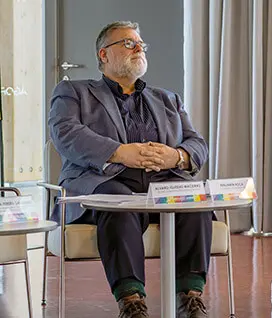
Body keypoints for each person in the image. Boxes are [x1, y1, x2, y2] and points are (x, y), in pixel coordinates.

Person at [49, 21, 210, 318]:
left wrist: (176, 156)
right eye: (127, 43)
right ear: (103, 54)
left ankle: (190, 295)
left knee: (192, 198)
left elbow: (197, 143)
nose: (138, 47)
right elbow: (66, 134)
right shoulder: (73, 92)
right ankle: (131, 300)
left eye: (140, 44)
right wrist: (121, 153)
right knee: (117, 199)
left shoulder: (168, 99)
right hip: (105, 182)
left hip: (161, 183)